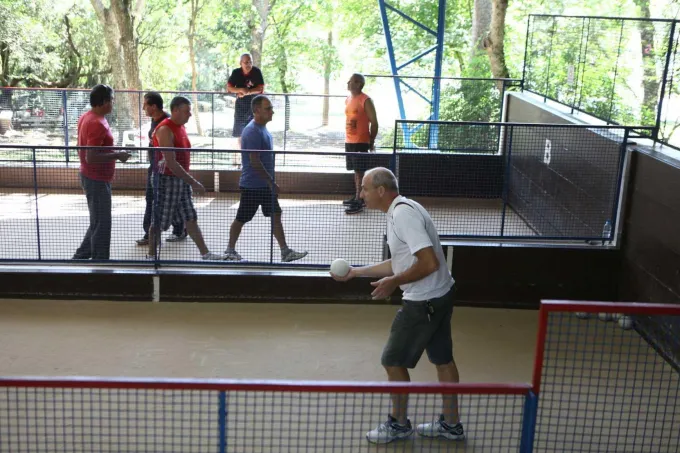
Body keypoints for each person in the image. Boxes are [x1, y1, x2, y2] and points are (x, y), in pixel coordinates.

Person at [331, 167, 464, 444]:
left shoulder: (403, 215)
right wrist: (357, 272)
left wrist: (394, 282)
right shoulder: (401, 210)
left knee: (392, 360)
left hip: (423, 302)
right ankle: (451, 425)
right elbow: (401, 262)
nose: (361, 194)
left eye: (364, 189)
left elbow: (429, 263)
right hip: (441, 294)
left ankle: (399, 425)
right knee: (442, 359)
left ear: (381, 191)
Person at [224, 95, 307, 263]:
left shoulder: (261, 128)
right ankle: (229, 250)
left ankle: (285, 251)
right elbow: (255, 161)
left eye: (271, 108)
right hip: (253, 186)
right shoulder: (252, 131)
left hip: (263, 184)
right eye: (268, 108)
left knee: (275, 214)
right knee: (242, 218)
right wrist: (271, 182)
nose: (272, 111)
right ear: (257, 111)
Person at [148, 96, 224, 261]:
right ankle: (151, 256)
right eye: (187, 111)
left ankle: (206, 253)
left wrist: (187, 180)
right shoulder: (164, 129)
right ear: (175, 110)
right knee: (160, 220)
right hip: (166, 181)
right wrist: (193, 182)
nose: (190, 114)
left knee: (190, 216)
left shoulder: (180, 127)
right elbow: (171, 162)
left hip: (180, 181)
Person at [73, 85, 131, 260]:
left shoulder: (88, 117)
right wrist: (118, 155)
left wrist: (113, 151)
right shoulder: (96, 122)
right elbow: (91, 156)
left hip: (94, 177)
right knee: (102, 223)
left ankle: (81, 256)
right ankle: (100, 261)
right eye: (112, 100)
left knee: (97, 221)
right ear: (104, 102)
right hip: (95, 179)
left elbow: (84, 150)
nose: (113, 103)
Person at [136, 92, 185, 246]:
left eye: (145, 104)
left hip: (165, 169)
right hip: (155, 167)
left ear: (154, 107)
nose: (143, 107)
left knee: (169, 200)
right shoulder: (154, 120)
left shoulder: (167, 123)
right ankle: (149, 234)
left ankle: (178, 229)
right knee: (151, 198)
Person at [343, 73, 378, 215]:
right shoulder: (348, 99)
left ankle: (360, 200)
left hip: (361, 141)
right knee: (355, 171)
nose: (348, 82)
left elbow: (374, 123)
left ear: (358, 84)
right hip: (349, 140)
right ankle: (356, 196)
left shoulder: (366, 100)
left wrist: (371, 141)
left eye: (350, 81)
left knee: (360, 172)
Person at [226, 53, 265, 150]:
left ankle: (254, 153)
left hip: (255, 106)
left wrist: (248, 92)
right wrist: (240, 90)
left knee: (255, 130)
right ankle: (243, 154)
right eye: (246, 62)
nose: (248, 65)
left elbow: (261, 88)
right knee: (240, 133)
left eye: (250, 62)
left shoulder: (256, 71)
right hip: (241, 106)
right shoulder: (236, 72)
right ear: (240, 63)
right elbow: (229, 88)